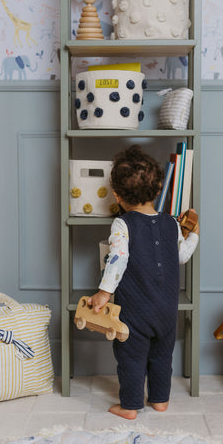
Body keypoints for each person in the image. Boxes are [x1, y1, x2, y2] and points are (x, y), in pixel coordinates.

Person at [88, 145, 199, 420]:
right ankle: (160, 400)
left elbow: (118, 259)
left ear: (116, 195)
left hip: (135, 312)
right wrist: (194, 234)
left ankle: (129, 406)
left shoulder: (122, 224)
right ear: (158, 190)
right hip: (167, 311)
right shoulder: (172, 223)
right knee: (162, 356)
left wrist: (103, 293)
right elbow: (182, 256)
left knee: (132, 358)